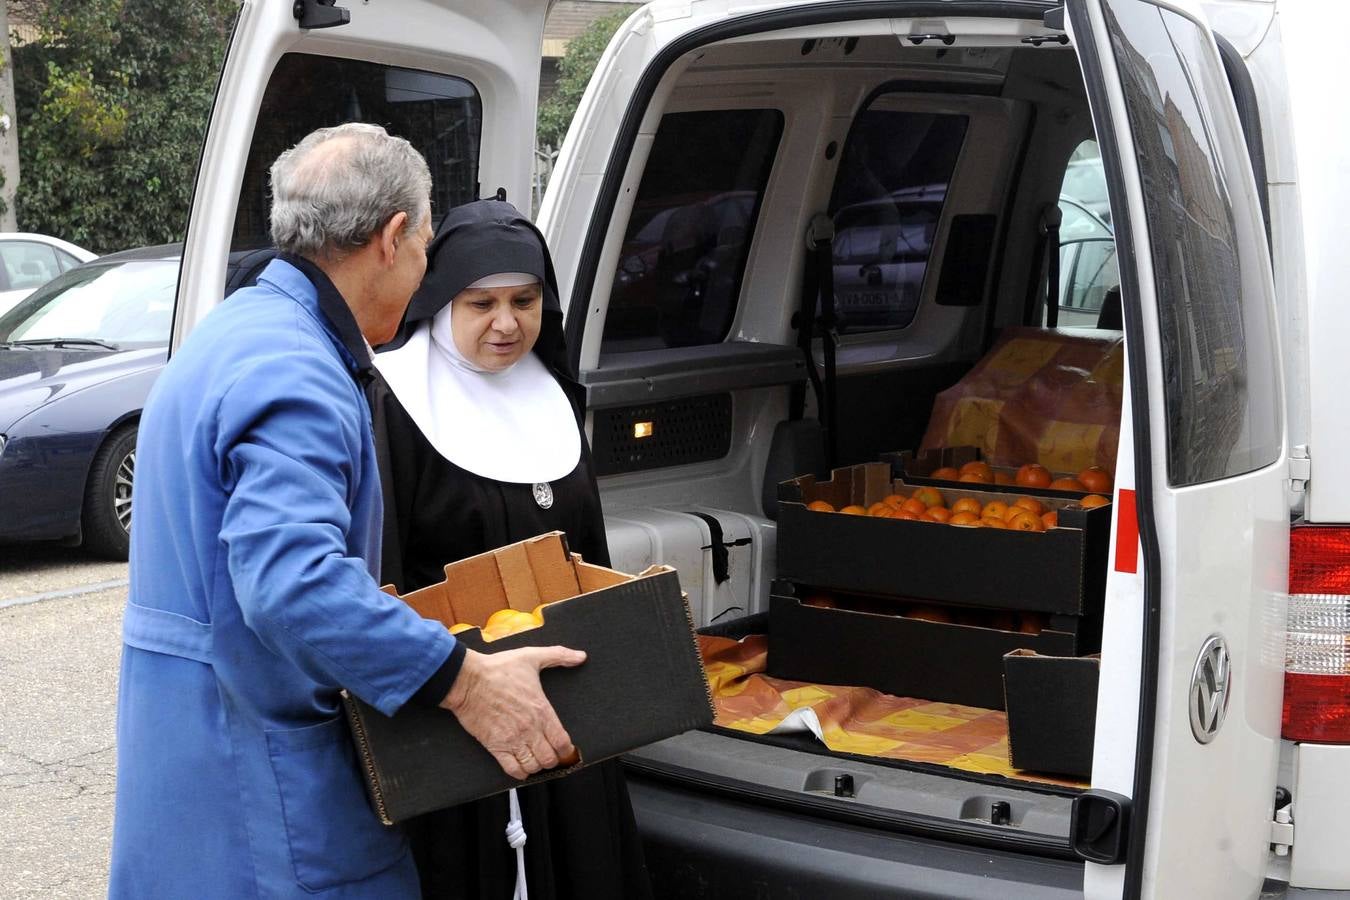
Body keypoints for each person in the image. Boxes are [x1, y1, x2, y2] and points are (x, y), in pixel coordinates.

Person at [109, 125, 586, 899]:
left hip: (190, 773)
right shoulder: (295, 369)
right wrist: (462, 680)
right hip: (270, 806)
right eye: (429, 246)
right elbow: (292, 583)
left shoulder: (233, 331)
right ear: (394, 238)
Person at [373, 199, 653, 900]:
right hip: (461, 710)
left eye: (524, 301)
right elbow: (384, 572)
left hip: (568, 702)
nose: (507, 323)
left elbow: (588, 551)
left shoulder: (552, 394)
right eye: (482, 304)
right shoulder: (395, 401)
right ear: (440, 301)